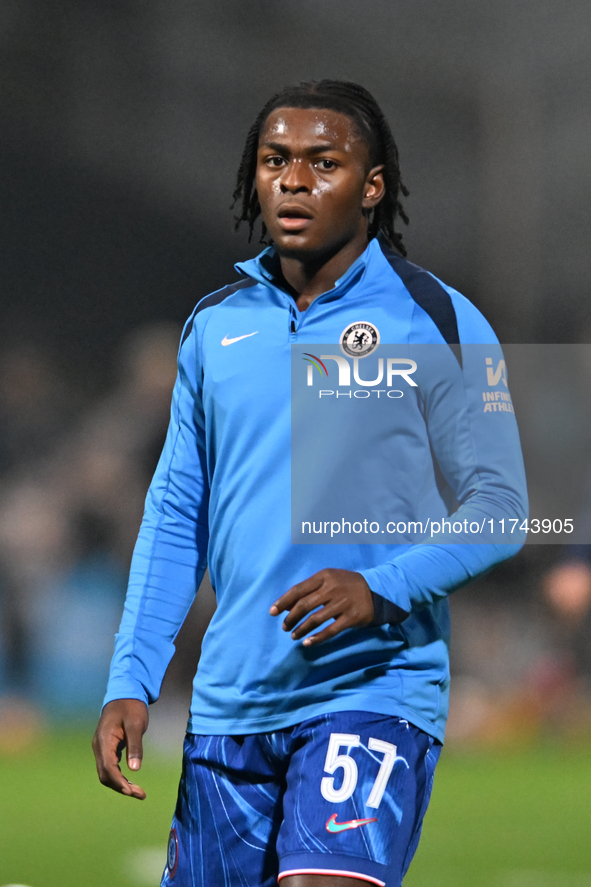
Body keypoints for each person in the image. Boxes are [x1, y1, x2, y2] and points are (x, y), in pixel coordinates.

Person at [92, 80, 528, 887]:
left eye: (323, 163)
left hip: (370, 687)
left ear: (372, 186)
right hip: (231, 703)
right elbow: (175, 511)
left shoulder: (436, 320)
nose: (293, 181)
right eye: (275, 160)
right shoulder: (215, 325)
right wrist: (132, 676)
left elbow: (500, 510)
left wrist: (381, 588)